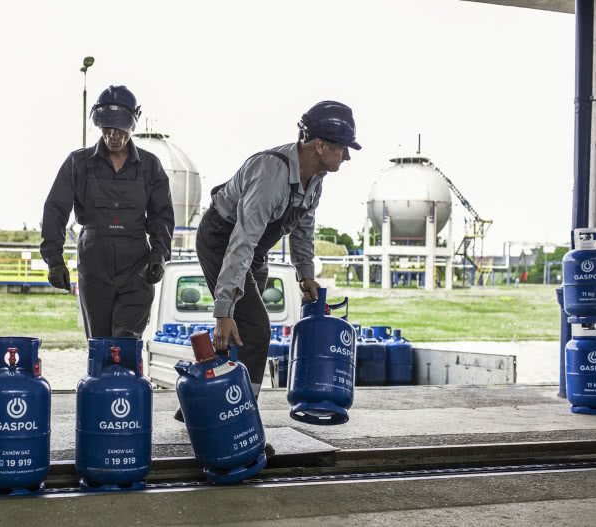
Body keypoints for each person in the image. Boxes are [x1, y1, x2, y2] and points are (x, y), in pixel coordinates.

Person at [196, 100, 361, 400]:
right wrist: (223, 310)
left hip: (254, 250)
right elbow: (240, 241)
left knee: (241, 331)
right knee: (255, 330)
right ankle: (242, 415)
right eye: (342, 147)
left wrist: (305, 275)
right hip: (223, 240)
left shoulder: (316, 179)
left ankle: (203, 403)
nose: (347, 155)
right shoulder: (271, 174)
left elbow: (303, 229)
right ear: (321, 146)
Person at [40, 85, 174, 338]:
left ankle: (127, 377)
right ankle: (100, 377)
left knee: (126, 340)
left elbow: (161, 215)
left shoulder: (149, 166)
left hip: (136, 265)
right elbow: (56, 210)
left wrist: (159, 254)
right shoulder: (78, 163)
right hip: (95, 263)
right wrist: (54, 260)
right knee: (99, 343)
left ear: (132, 125)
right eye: (107, 129)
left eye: (120, 129)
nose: (113, 136)